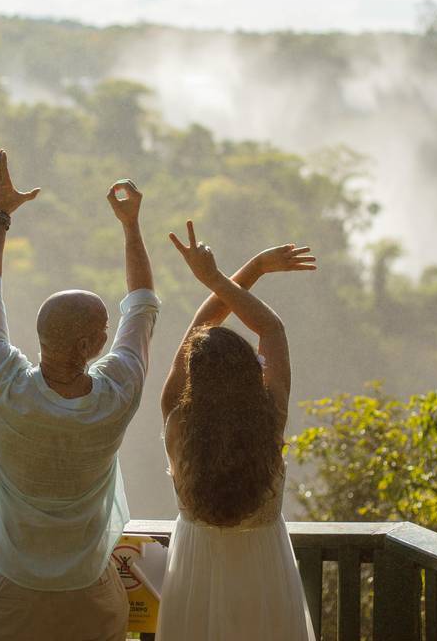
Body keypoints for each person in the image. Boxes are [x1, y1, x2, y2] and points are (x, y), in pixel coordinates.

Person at [0, 150, 159, 641]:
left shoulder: (4, 387)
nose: (110, 332)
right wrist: (131, 227)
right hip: (88, 596)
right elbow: (142, 308)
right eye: (104, 328)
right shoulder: (116, 397)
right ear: (92, 344)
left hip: (8, 593)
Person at [156, 220, 317, 641]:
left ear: (193, 377)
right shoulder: (270, 416)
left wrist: (245, 270)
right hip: (264, 569)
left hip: (196, 568)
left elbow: (197, 331)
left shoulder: (176, 418)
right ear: (251, 371)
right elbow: (271, 329)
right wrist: (224, 276)